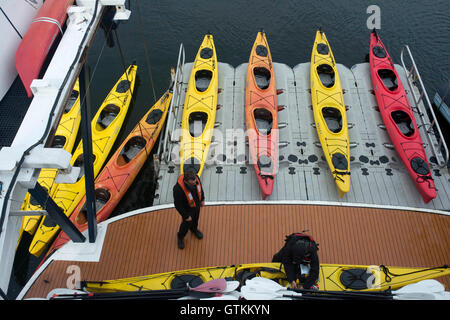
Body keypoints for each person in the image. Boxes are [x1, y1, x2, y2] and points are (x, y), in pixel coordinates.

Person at [173, 171, 205, 249]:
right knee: (186, 224)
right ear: (186, 181)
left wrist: (202, 199)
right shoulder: (178, 189)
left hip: (196, 205)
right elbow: (178, 205)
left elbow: (201, 189)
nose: (195, 181)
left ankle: (194, 230)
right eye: (193, 180)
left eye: (195, 179)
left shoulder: (196, 179)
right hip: (187, 210)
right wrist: (186, 215)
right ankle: (180, 237)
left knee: (195, 220)